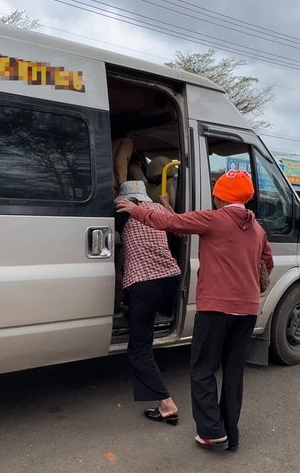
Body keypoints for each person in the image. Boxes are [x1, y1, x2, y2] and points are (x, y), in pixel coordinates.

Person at [117, 170, 274, 452]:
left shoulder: (214, 219)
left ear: (219, 197)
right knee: (234, 374)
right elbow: (268, 263)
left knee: (203, 371)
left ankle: (213, 433)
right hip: (248, 310)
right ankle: (231, 435)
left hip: (215, 308)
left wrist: (134, 209)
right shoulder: (257, 228)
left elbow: (171, 223)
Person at [113, 180, 182, 425]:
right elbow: (180, 229)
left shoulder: (122, 210)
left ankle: (166, 404)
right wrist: (167, 205)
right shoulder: (160, 210)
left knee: (138, 351)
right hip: (172, 279)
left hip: (145, 285)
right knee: (146, 328)